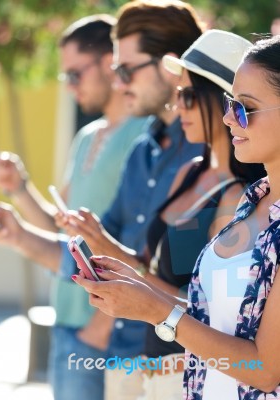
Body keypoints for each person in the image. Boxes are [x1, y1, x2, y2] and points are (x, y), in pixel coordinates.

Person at [74, 33, 280, 399]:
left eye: (244, 107)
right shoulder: (251, 201)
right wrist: (138, 287)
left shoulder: (236, 196)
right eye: (231, 103)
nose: (229, 117)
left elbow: (264, 370)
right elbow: (215, 320)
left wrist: (156, 309)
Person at [0, 14, 147, 400]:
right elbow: (64, 230)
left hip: (107, 332)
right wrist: (18, 188)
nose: (70, 86)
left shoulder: (146, 134)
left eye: (75, 74)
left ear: (110, 62)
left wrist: (99, 330)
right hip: (67, 321)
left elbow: (144, 246)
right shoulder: (88, 136)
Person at [55, 1, 204, 398]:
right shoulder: (143, 148)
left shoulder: (209, 158)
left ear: (170, 64)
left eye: (125, 70)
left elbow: (197, 292)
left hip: (178, 366)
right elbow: (108, 240)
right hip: (121, 354)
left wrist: (109, 248)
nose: (119, 84)